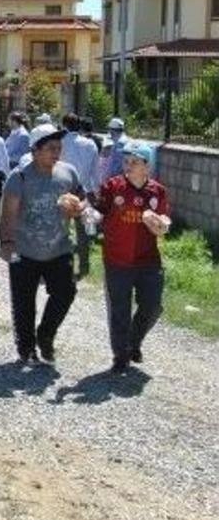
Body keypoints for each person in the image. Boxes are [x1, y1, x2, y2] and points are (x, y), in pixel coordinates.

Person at [0, 123, 86, 363]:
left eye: (58, 148)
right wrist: (6, 242)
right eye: (50, 148)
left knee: (66, 292)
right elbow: (8, 213)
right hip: (24, 250)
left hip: (59, 248)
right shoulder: (20, 177)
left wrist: (79, 207)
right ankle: (26, 348)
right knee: (23, 303)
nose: (56, 153)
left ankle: (45, 334)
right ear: (35, 150)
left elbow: (83, 199)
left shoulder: (68, 172)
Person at [92, 143, 171, 373]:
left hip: (148, 260)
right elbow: (100, 209)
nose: (128, 165)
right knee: (120, 310)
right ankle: (120, 356)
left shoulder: (157, 191)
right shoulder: (113, 185)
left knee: (153, 305)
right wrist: (92, 215)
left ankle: (133, 342)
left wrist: (161, 225)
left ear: (147, 165)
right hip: (117, 259)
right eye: (126, 160)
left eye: (134, 161)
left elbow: (165, 221)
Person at [59, 113, 100, 277]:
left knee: (61, 229)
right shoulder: (90, 144)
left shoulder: (59, 142)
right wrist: (94, 191)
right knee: (82, 230)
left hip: (61, 188)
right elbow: (94, 172)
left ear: (64, 125)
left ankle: (62, 266)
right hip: (81, 190)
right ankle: (84, 267)